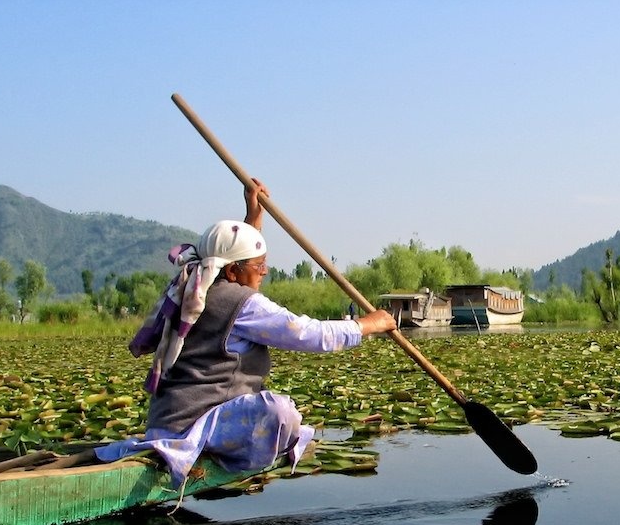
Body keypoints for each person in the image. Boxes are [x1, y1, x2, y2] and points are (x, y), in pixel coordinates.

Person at [94, 180, 397, 487]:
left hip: (168, 422)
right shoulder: (240, 303)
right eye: (259, 266)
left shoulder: (194, 287)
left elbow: (236, 257)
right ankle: (227, 460)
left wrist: (254, 216)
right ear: (232, 271)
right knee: (280, 412)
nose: (264, 271)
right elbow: (308, 333)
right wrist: (369, 324)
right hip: (196, 425)